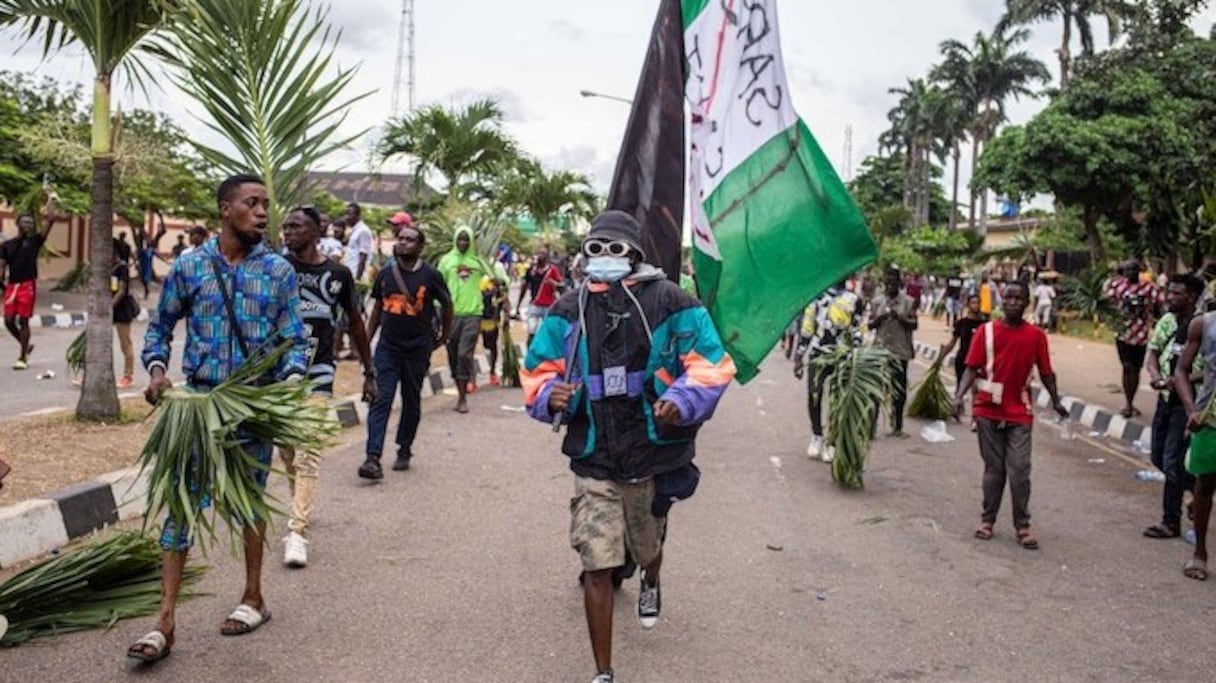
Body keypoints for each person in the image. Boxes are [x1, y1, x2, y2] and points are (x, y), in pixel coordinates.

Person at [522, 210, 735, 683]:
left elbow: (712, 364)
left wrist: (681, 399)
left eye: (615, 248)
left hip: (650, 454)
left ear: (635, 254)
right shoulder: (568, 309)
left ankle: (652, 578)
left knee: (645, 546)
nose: (604, 257)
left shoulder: (673, 303)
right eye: (595, 247)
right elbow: (537, 370)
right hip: (594, 456)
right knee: (596, 563)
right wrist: (547, 394)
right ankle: (603, 672)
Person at [129, 174, 310, 663]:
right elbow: (160, 328)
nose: (261, 213)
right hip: (198, 411)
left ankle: (253, 597)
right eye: (251, 203)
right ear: (225, 209)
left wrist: (291, 380)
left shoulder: (277, 271)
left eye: (265, 205)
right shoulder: (190, 267)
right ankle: (164, 621)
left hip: (254, 406)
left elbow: (295, 336)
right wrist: (158, 371)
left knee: (250, 504)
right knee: (180, 507)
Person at [280, 206, 375, 567]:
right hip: (277, 375)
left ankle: (297, 530)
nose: (289, 232)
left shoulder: (338, 275)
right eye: (286, 227)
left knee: (308, 451)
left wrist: (370, 371)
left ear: (316, 230)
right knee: (286, 449)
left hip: (318, 372)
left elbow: (355, 322)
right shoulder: (276, 268)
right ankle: (298, 502)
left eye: (296, 226)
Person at [952, 281, 1068, 550]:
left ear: (1027, 302)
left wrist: (1056, 400)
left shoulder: (1036, 336)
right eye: (1010, 298)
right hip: (987, 409)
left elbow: (1047, 372)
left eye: (1019, 299)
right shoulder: (986, 332)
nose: (1014, 303)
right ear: (1002, 301)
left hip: (1019, 412)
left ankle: (1022, 524)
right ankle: (987, 519)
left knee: (1019, 471)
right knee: (994, 470)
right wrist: (958, 397)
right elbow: (971, 368)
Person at [359, 222, 452, 479]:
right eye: (400, 238)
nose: (403, 242)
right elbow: (377, 310)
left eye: (410, 239)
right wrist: (366, 343)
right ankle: (372, 457)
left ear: (420, 247)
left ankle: (404, 447)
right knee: (380, 400)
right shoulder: (385, 274)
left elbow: (447, 305)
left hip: (417, 349)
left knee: (411, 400)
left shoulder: (431, 275)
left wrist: (443, 336)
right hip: (388, 348)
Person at [1142, 274, 1205, 540]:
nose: (1170, 298)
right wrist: (1156, 377)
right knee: (1159, 457)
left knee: (1172, 460)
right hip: (1166, 400)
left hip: (1188, 401)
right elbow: (1153, 353)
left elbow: (1207, 369)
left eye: (1177, 294)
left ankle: (1171, 521)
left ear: (1191, 297)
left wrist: (1179, 380)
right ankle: (1198, 491)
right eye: (1170, 292)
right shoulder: (1168, 321)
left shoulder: (1203, 326)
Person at [793, 279, 864, 462]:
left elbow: (858, 328)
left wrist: (856, 349)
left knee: (837, 400)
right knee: (814, 395)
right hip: (818, 354)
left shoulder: (853, 299)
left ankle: (831, 442)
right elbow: (808, 327)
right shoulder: (817, 297)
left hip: (842, 356)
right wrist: (800, 355)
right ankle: (817, 435)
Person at [1172, 297, 1216, 580]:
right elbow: (1181, 371)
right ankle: (1199, 553)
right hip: (1210, 419)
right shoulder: (1204, 324)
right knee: (1206, 484)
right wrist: (1192, 410)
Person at [1, 190, 58, 370]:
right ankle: (25, 345)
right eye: (25, 222)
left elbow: (50, 221)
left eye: (31, 223)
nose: (28, 225)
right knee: (8, 321)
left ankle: (22, 356)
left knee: (23, 321)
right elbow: (2, 265)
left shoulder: (35, 242)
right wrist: (2, 284)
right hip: (12, 286)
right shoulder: (7, 245)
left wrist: (50, 199)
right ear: (18, 224)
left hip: (28, 285)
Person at [438, 225, 488, 413]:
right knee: (452, 354)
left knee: (463, 354)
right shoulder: (446, 261)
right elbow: (439, 286)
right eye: (460, 239)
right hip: (451, 314)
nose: (463, 243)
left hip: (473, 314)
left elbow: (495, 277)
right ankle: (459, 380)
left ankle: (462, 398)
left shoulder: (478, 262)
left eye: (466, 239)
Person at [1107, 260, 1163, 418]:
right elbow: (1107, 303)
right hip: (1123, 333)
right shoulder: (1117, 286)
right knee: (1127, 366)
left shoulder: (1149, 287)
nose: (1130, 273)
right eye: (1126, 270)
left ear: (1139, 270)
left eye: (1133, 269)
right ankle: (1128, 403)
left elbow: (1160, 303)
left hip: (1141, 334)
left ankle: (1131, 401)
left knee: (1136, 369)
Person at [868, 267, 917, 437]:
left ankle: (897, 426)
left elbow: (914, 324)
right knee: (875, 388)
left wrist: (901, 318)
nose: (889, 285)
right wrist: (879, 319)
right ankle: (871, 426)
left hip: (900, 351)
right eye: (887, 282)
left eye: (893, 282)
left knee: (899, 390)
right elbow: (870, 324)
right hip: (879, 350)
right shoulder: (876, 301)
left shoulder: (909, 301)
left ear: (898, 282)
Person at [941, 293, 989, 393]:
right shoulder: (961, 323)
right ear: (968, 305)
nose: (976, 305)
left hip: (979, 362)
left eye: (978, 303)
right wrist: (942, 354)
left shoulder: (985, 324)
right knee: (961, 389)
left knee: (977, 390)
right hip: (963, 360)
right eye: (973, 303)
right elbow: (952, 342)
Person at [516, 246, 564, 346]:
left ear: (547, 257)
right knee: (531, 332)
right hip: (534, 305)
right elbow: (524, 288)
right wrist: (518, 306)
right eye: (539, 253)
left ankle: (546, 355)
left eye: (543, 254)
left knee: (549, 333)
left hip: (549, 306)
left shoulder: (552, 270)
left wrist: (554, 284)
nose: (540, 256)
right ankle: (530, 354)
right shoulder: (531, 270)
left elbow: (562, 285)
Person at [111, 242, 139, 389]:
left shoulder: (122, 268)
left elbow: (121, 290)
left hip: (121, 310)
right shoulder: (107, 267)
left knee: (125, 344)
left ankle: (128, 376)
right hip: (110, 309)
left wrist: (110, 306)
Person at [479, 264, 510, 386]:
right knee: (479, 345)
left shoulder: (500, 289)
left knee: (492, 346)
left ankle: (492, 372)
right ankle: (470, 379)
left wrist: (506, 317)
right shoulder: (482, 284)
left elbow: (505, 303)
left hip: (493, 321)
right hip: (479, 318)